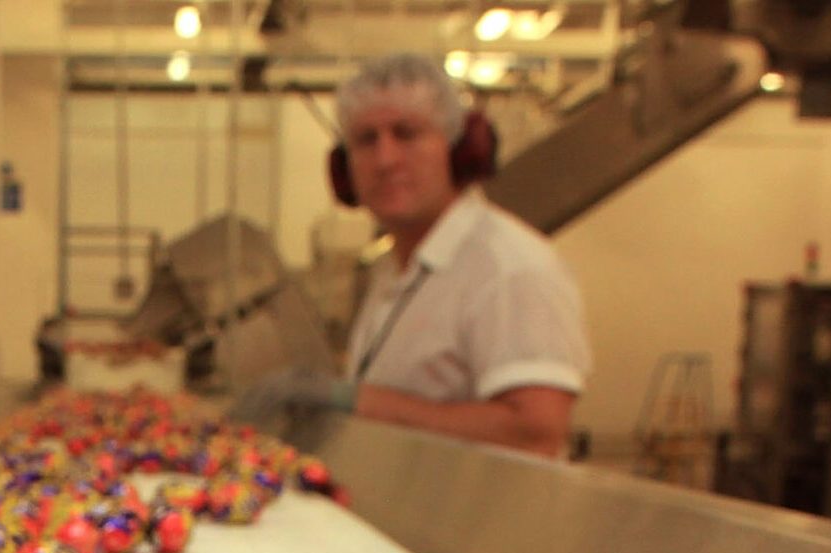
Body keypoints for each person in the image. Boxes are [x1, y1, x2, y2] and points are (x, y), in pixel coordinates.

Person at [234, 54, 590, 458]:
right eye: (366, 140)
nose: (385, 160)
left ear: (458, 151)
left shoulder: (509, 266)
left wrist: (359, 401)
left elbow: (536, 433)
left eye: (407, 134)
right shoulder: (395, 269)